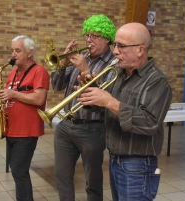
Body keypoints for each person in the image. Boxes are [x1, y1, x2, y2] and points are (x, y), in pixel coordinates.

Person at [77, 22, 173, 201]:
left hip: (138, 164)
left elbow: (149, 122)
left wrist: (109, 100)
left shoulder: (157, 81)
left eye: (121, 46)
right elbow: (108, 108)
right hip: (116, 159)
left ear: (140, 50)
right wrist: (92, 95)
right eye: (115, 45)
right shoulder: (120, 74)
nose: (114, 51)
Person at [51, 14, 117, 201]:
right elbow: (56, 86)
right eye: (87, 35)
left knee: (93, 182)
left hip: (93, 129)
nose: (88, 40)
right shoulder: (81, 57)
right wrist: (62, 64)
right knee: (62, 178)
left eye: (94, 36)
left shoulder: (114, 64)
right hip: (66, 126)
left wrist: (85, 70)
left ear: (107, 38)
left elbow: (105, 97)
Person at [0, 35, 50, 201]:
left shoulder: (39, 71)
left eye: (18, 50)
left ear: (29, 52)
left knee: (19, 171)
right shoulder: (12, 73)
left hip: (26, 131)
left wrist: (13, 93)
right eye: (12, 50)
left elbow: (39, 99)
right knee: (17, 171)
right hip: (12, 129)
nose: (13, 54)